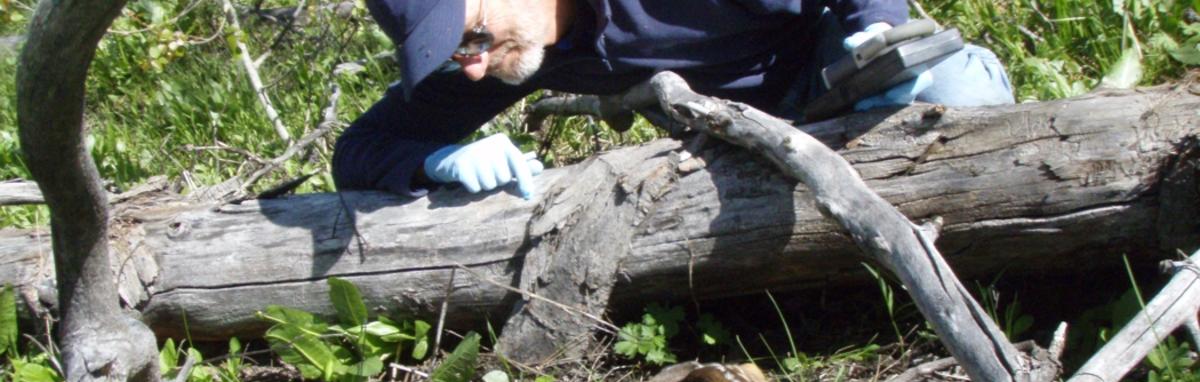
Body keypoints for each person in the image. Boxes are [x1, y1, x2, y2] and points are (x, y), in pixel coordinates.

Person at [333, 0, 1014, 200]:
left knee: (963, 103)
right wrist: (442, 161)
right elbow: (358, 150)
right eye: (455, 53)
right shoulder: (521, 52)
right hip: (742, 152)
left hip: (839, 75)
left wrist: (877, 26)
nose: (473, 70)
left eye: (471, 37)